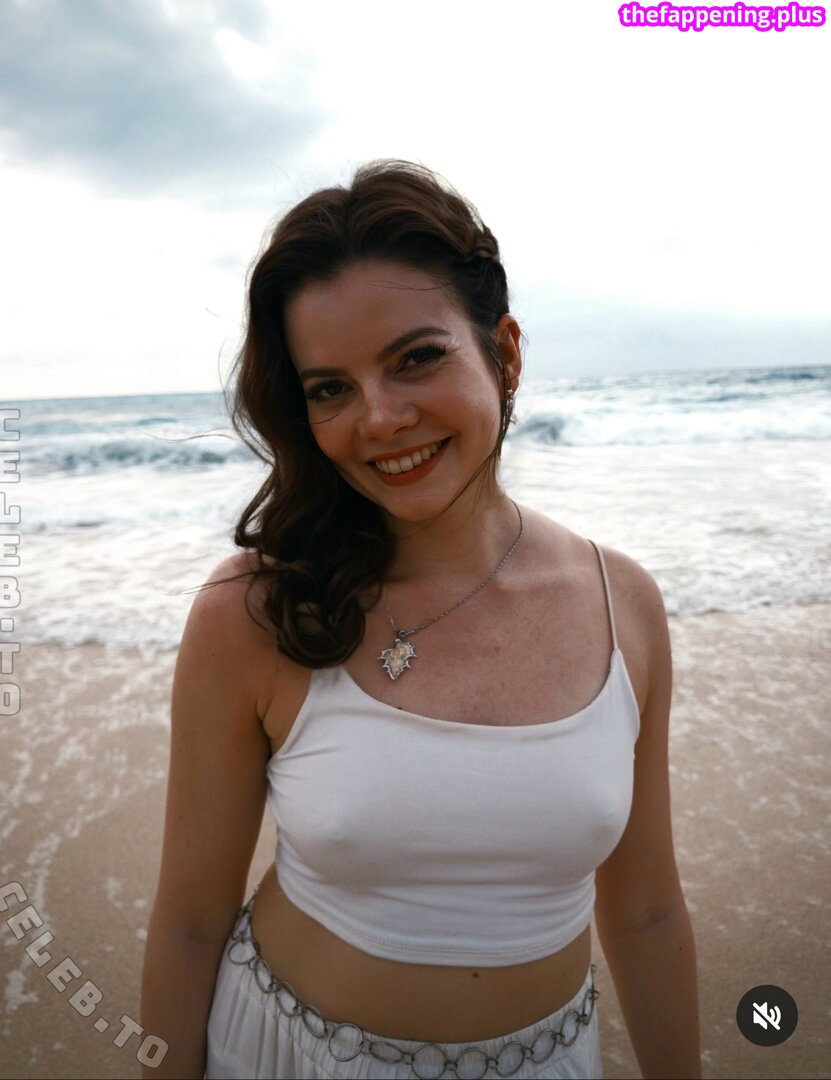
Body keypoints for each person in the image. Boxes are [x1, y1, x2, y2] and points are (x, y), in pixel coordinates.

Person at [140, 160, 701, 1080]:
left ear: (504, 354)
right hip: (284, 1055)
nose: (380, 419)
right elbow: (190, 923)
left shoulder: (622, 605)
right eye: (330, 388)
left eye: (416, 358)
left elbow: (644, 913)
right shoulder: (257, 612)